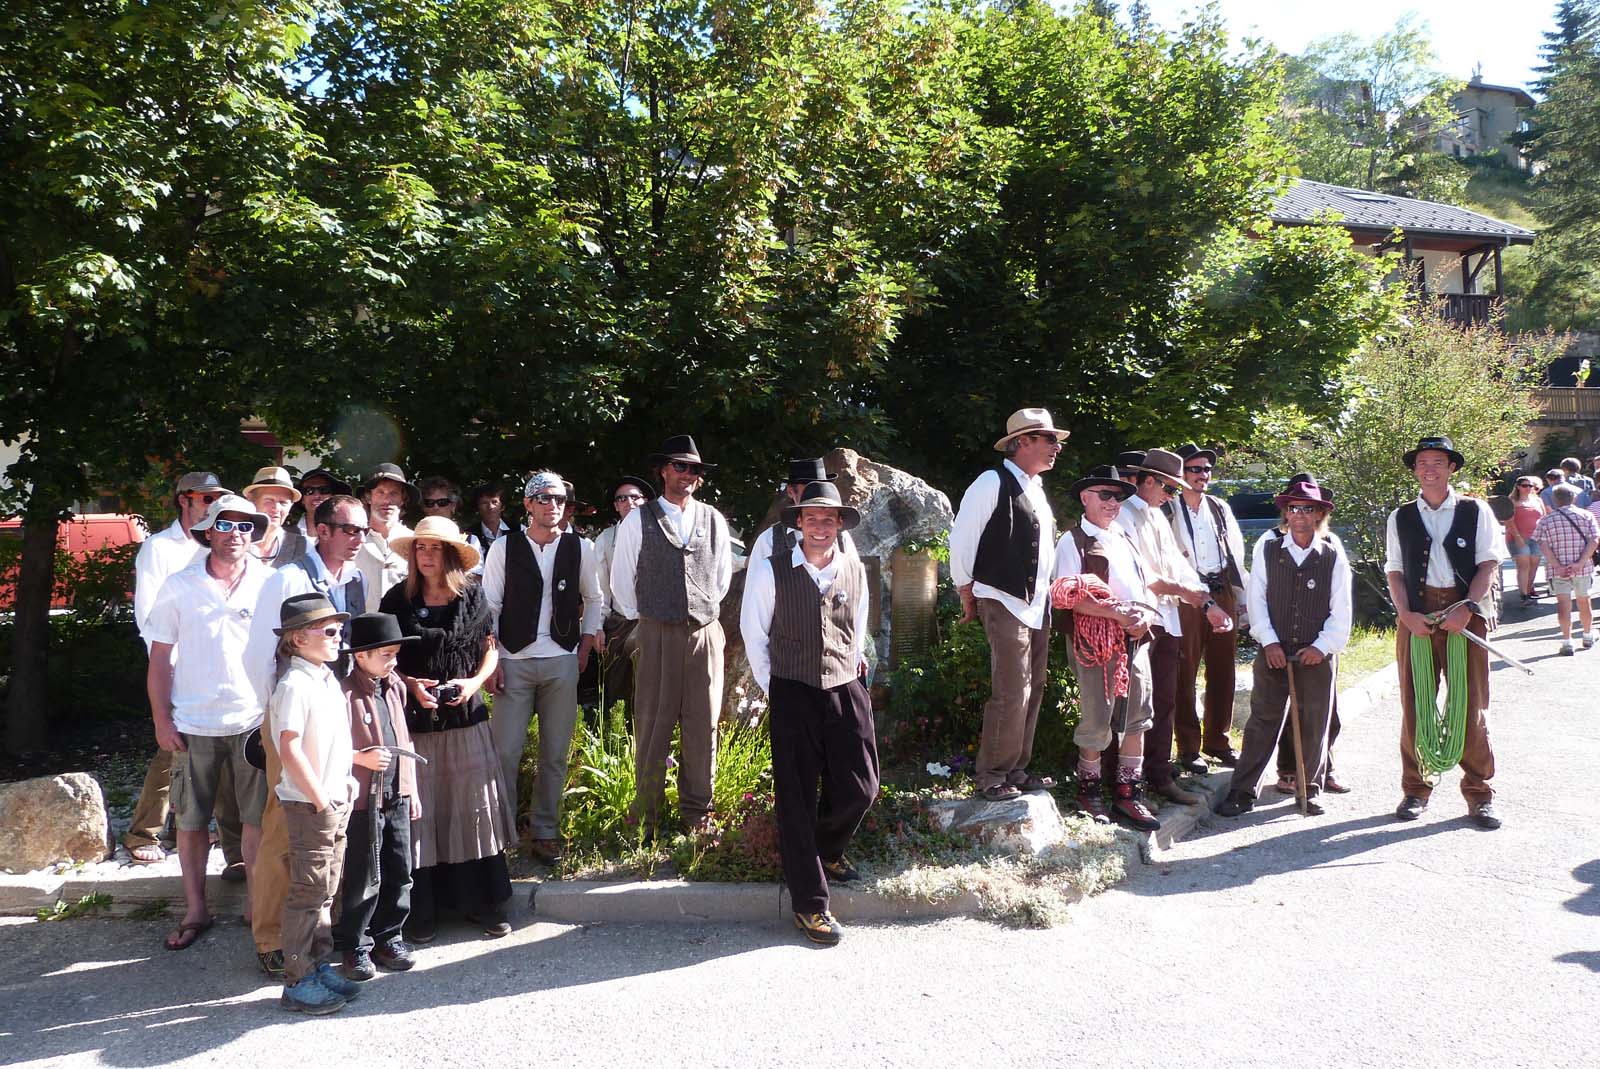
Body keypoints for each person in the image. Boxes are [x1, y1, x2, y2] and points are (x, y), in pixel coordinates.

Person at [741, 481, 876, 946]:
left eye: (829, 518)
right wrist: (776, 686)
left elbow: (857, 628)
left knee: (862, 785)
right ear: (798, 522)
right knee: (796, 796)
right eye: (812, 518)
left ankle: (826, 849)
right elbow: (754, 634)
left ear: (840, 524)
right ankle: (810, 905)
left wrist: (848, 666)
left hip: (844, 684)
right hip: (792, 688)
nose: (820, 526)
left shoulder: (853, 569)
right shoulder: (771, 569)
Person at [244, 492, 370, 976]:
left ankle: (317, 937)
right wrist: (276, 716)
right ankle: (272, 938)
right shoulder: (289, 579)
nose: (360, 538)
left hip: (333, 708)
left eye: (363, 530)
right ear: (322, 530)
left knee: (329, 830)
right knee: (285, 826)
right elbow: (259, 656)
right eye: (350, 529)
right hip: (294, 713)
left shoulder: (355, 578)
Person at [144, 494, 271, 951]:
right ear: (208, 530)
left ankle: (258, 905)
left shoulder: (271, 582)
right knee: (191, 820)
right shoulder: (179, 584)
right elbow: (160, 657)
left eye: (246, 526)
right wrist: (162, 720)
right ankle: (196, 908)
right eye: (227, 524)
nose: (236, 533)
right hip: (193, 722)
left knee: (256, 820)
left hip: (253, 720)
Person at [381, 519, 512, 939]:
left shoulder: (472, 596)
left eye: (436, 548)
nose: (427, 554)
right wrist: (409, 685)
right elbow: (383, 658)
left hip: (466, 717)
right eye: (420, 547)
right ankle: (422, 912)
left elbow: (489, 650)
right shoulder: (395, 601)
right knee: (423, 815)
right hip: (414, 722)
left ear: (451, 554)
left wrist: (473, 684)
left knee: (471, 810)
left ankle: (480, 904)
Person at [609, 434, 734, 836]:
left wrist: (698, 611)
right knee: (651, 723)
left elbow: (721, 580)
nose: (687, 475)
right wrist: (648, 618)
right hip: (656, 632)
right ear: (663, 470)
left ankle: (698, 813)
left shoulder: (713, 519)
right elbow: (621, 581)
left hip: (703, 633)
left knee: (704, 724)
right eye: (680, 466)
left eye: (694, 469)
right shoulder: (637, 520)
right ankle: (645, 816)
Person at [1385, 435, 1506, 830]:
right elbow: (1395, 571)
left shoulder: (1476, 510)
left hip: (1464, 613)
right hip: (1416, 617)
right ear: (1415, 469)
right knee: (1416, 703)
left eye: (1437, 461)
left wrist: (1468, 608)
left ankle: (1479, 793)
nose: (1429, 468)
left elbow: (1488, 565)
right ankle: (1415, 789)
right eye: (1422, 462)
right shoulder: (1401, 515)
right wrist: (1405, 614)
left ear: (1452, 467)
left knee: (1469, 705)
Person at [125, 470, 244, 870]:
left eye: (219, 497)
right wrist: (170, 673)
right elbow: (149, 618)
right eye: (206, 498)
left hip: (219, 674)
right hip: (177, 668)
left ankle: (226, 848)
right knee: (172, 749)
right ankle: (145, 832)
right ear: (184, 499)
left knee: (222, 758)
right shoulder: (159, 548)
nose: (214, 504)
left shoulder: (220, 544)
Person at [482, 474, 604, 863]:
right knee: (505, 752)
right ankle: (499, 835)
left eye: (560, 499)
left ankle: (545, 831)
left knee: (556, 752)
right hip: (513, 659)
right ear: (528, 504)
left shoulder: (580, 547)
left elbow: (595, 599)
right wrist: (492, 660)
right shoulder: (504, 546)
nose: (553, 505)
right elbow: (490, 608)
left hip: (562, 658)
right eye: (544, 498)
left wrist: (584, 646)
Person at [1217, 475, 1352, 817]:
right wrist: (1269, 641)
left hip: (1317, 652)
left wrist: (1322, 647)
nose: (1300, 515)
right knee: (1263, 719)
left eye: (1308, 509)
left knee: (1314, 720)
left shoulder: (1333, 554)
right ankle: (1243, 790)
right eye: (1294, 508)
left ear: (1319, 514)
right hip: (1274, 648)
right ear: (1286, 513)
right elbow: (1256, 598)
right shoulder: (1268, 547)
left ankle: (1310, 789)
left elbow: (1342, 608)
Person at [949, 409, 1066, 801]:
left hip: (1037, 602)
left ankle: (1016, 769)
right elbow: (963, 539)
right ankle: (991, 775)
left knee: (1034, 687)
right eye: (1048, 439)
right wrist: (965, 589)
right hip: (1002, 597)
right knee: (1012, 690)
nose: (1056, 447)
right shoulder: (990, 482)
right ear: (1023, 442)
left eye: (1056, 440)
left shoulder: (1035, 488)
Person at [1116, 449, 1233, 805]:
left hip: (1168, 619)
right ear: (1147, 480)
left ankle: (1159, 775)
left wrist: (1208, 603)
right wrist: (1187, 592)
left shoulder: (1157, 516)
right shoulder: (1123, 516)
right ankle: (1127, 781)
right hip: (1140, 621)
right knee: (1134, 706)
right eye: (1168, 487)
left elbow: (1180, 569)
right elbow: (1139, 574)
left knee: (1164, 700)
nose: (1171, 495)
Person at [267, 592, 362, 1015]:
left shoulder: (325, 680)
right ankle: (298, 978)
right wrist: (320, 798)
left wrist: (343, 782)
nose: (337, 638)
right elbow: (289, 749)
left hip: (333, 799)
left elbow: (332, 743)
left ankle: (318, 964)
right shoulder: (293, 685)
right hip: (311, 806)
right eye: (328, 631)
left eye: (339, 631)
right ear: (298, 639)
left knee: (326, 890)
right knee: (308, 893)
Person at [1051, 465, 1160, 831]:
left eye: (1118, 497)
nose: (1113, 503)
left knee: (1137, 715)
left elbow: (1143, 590)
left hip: (1134, 640)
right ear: (1085, 498)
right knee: (1097, 715)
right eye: (1105, 495)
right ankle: (1089, 791)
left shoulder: (1125, 537)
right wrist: (1114, 613)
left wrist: (1143, 616)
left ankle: (1129, 794)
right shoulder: (1072, 542)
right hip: (1093, 642)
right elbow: (1066, 597)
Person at [334, 613, 422, 982]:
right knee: (362, 874)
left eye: (395, 654)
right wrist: (359, 758)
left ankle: (390, 936)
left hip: (395, 793)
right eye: (386, 655)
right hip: (362, 801)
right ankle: (355, 944)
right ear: (360, 656)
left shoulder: (394, 687)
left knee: (400, 869)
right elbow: (327, 746)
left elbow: (405, 739)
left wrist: (411, 788)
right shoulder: (342, 693)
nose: (393, 662)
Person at [1168, 443, 1249, 770]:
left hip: (1221, 588)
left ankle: (1218, 741)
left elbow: (1236, 553)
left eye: (1207, 470)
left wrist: (1240, 601)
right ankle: (1188, 748)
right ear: (1181, 473)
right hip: (1187, 595)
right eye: (1196, 469)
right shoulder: (1169, 510)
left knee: (1223, 668)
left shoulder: (1219, 507)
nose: (1203, 475)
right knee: (1184, 670)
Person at [593, 475, 655, 712]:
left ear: (645, 501)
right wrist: (597, 625)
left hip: (656, 623)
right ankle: (618, 743)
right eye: (622, 498)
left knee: (652, 690)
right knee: (617, 690)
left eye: (634, 497)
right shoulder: (606, 539)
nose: (629, 502)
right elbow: (600, 588)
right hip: (619, 623)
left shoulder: (660, 533)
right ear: (616, 505)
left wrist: (744, 562)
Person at [1532, 483, 1599, 654]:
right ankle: (1587, 635)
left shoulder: (1546, 520)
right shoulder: (1586, 516)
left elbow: (1542, 544)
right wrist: (1580, 563)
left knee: (1563, 604)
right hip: (1582, 568)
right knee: (1584, 601)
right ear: (1574, 498)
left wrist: (1558, 566)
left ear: (1555, 500)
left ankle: (1567, 641)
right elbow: (1594, 540)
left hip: (1557, 571)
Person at [748, 458, 857, 562]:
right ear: (791, 491)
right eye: (809, 488)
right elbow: (756, 580)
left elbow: (853, 577)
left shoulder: (842, 538)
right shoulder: (769, 539)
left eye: (820, 488)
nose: (816, 495)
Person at [358, 463, 417, 612]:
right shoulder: (352, 538)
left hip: (403, 628)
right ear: (368, 497)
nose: (387, 500)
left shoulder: (415, 541)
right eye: (380, 492)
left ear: (403, 499)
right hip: (359, 628)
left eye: (394, 493)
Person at [245, 466, 309, 568]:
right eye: (269, 500)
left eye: (283, 502)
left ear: (291, 506)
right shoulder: (234, 541)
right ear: (251, 501)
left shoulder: (304, 546)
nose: (276, 508)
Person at [1505, 473, 1548, 603]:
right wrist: (1517, 537)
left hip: (1536, 538)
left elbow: (1544, 518)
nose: (1528, 488)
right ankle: (1523, 594)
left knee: (1534, 565)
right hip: (1518, 537)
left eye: (1530, 486)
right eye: (1525, 485)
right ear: (1518, 487)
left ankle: (1529, 590)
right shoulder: (1512, 501)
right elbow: (1509, 521)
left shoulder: (1538, 500)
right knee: (1524, 565)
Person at [293, 468, 353, 541]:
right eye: (309, 491)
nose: (317, 496)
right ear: (302, 499)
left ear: (334, 497)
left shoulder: (349, 533)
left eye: (324, 490)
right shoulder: (285, 534)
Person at [465, 482, 510, 555]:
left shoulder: (518, 530)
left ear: (502, 507)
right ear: (478, 507)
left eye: (494, 502)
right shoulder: (470, 535)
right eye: (484, 503)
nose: (490, 507)